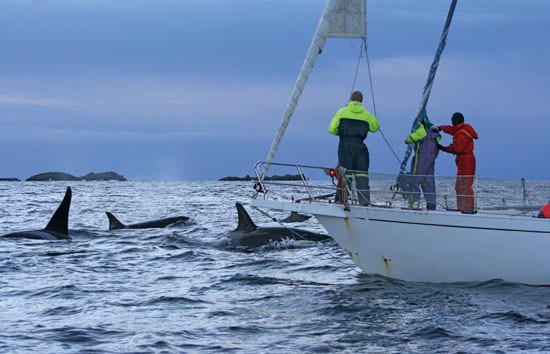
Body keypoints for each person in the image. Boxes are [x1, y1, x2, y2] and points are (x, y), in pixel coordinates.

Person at [328, 90, 380, 205]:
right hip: (361, 147)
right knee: (362, 174)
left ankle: (341, 200)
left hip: (345, 145)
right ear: (361, 101)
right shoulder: (366, 114)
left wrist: (341, 132)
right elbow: (375, 127)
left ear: (350, 99)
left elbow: (332, 129)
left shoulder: (342, 111)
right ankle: (364, 202)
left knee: (345, 173)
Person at [436, 112, 478, 213]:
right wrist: (441, 128)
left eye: (452, 120)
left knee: (464, 185)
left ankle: (467, 209)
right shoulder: (463, 128)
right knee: (461, 186)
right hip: (466, 159)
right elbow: (451, 129)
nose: (451, 122)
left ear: (455, 121)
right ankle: (463, 208)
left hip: (466, 160)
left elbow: (457, 148)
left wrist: (443, 148)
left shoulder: (461, 133)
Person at [404, 117, 441, 210]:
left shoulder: (421, 130)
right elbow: (439, 141)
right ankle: (431, 206)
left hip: (421, 158)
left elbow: (408, 140)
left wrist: (414, 131)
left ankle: (414, 203)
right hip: (431, 159)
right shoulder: (434, 133)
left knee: (415, 180)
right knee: (429, 182)